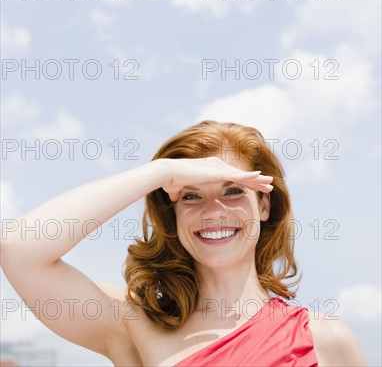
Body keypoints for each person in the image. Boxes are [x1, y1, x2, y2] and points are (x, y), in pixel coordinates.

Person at [1, 120, 367, 366]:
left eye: (233, 190)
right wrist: (162, 173)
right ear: (173, 214)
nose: (214, 211)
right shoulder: (135, 322)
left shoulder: (326, 338)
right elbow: (19, 248)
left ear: (265, 204)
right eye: (191, 196)